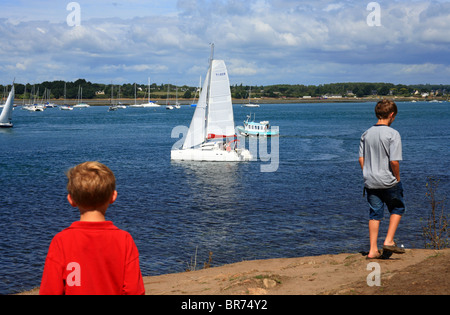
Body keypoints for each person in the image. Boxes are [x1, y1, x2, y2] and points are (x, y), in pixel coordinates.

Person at [40, 161, 145, 295]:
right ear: (113, 197)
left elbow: (50, 290)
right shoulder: (124, 240)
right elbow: (134, 291)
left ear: (71, 199)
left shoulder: (61, 241)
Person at [359, 100, 406, 259]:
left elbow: (361, 159)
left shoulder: (366, 133)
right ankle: (389, 240)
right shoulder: (393, 134)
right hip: (388, 180)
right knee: (397, 208)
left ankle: (372, 250)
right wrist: (397, 178)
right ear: (392, 115)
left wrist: (368, 173)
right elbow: (394, 161)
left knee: (375, 213)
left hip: (370, 180)